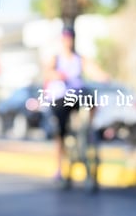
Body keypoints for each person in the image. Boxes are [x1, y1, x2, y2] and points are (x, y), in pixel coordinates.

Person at [43, 26, 109, 182]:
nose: (68, 41)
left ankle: (87, 129)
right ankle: (59, 168)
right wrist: (57, 75)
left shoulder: (79, 58)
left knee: (92, 100)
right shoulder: (56, 59)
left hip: (78, 95)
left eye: (70, 38)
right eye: (65, 38)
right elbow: (47, 72)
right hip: (62, 97)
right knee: (60, 132)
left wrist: (103, 76)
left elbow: (93, 70)